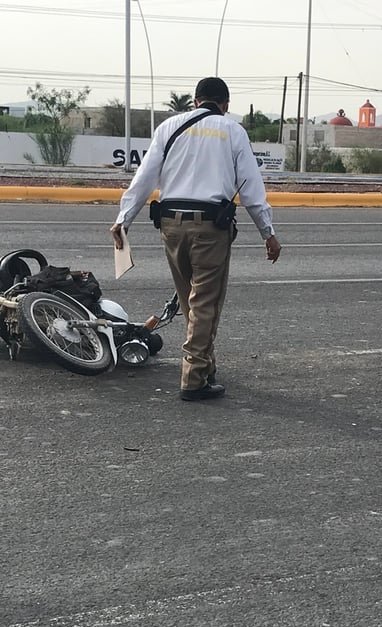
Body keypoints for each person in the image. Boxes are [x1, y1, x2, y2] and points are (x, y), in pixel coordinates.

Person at [110, 76, 282, 402]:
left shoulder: (168, 127)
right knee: (204, 303)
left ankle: (205, 365)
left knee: (190, 300)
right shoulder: (232, 131)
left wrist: (123, 220)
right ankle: (194, 378)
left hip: (170, 226)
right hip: (210, 228)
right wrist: (268, 233)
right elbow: (251, 188)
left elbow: (144, 178)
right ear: (225, 105)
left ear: (194, 102)